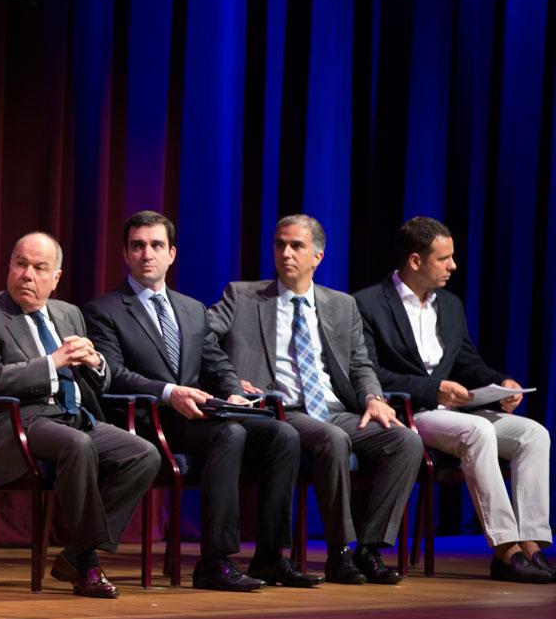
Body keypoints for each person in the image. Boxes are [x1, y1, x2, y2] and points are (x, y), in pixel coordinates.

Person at [84, 211, 315, 592]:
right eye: (137, 246)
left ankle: (271, 557)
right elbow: (114, 375)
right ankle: (214, 561)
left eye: (156, 245)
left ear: (172, 253)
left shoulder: (191, 309)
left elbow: (215, 362)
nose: (147, 254)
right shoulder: (104, 310)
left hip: (198, 417)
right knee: (229, 434)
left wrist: (234, 392)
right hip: (147, 421)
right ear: (125, 254)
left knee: (282, 435)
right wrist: (169, 393)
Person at [208, 214, 423, 585]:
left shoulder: (341, 305)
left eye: (296, 246)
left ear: (318, 257)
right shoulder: (242, 296)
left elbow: (360, 363)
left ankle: (369, 548)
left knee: (406, 441)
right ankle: (340, 553)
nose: (286, 253)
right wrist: (228, 378)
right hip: (281, 410)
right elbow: (201, 338)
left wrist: (372, 397)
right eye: (280, 245)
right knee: (331, 439)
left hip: (335, 409)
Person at [0, 232, 160, 598]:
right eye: (20, 264)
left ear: (56, 278)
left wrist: (95, 361)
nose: (27, 275)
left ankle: (76, 553)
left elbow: (98, 382)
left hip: (73, 415)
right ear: (9, 267)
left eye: (39, 268)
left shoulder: (68, 314)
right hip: (18, 421)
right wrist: (52, 363)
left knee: (144, 453)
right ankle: (87, 565)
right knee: (78, 446)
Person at [354, 216, 553, 583]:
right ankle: (505, 550)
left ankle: (533, 545)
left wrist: (500, 383)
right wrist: (434, 389)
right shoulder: (368, 304)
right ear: (415, 261)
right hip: (411, 412)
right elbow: (370, 371)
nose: (453, 266)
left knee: (534, 435)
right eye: (444, 258)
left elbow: (466, 359)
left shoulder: (449, 304)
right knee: (478, 430)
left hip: (452, 412)